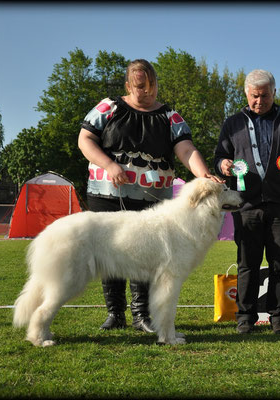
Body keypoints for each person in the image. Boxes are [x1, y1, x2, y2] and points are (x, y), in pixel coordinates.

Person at [78, 59, 222, 333]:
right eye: (140, 87)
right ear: (128, 86)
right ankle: (114, 312)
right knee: (109, 253)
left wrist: (203, 175)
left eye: (152, 86)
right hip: (107, 193)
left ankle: (141, 314)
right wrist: (109, 165)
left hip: (152, 198)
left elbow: (186, 149)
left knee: (144, 255)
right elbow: (85, 139)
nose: (147, 92)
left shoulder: (170, 116)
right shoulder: (108, 107)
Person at [214, 69, 280, 335]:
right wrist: (223, 164)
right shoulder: (232, 123)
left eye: (265, 96)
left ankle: (279, 317)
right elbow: (220, 155)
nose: (260, 101)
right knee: (247, 262)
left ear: (274, 92)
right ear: (246, 94)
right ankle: (245, 318)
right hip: (245, 205)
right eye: (255, 96)